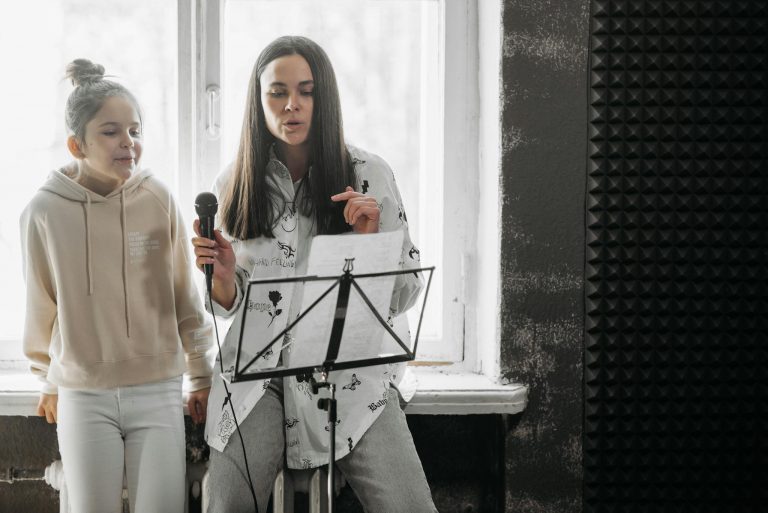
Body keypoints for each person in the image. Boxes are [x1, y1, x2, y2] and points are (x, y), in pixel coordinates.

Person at [192, 36, 437, 512]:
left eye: (306, 91)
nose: (292, 105)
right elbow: (231, 304)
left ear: (324, 98)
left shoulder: (369, 173)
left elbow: (405, 292)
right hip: (255, 378)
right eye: (277, 93)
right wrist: (222, 277)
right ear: (257, 102)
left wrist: (370, 245)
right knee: (224, 501)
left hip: (351, 373)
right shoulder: (234, 182)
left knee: (410, 505)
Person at [20, 59, 213, 513]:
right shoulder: (43, 212)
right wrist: (47, 380)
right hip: (84, 394)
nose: (128, 142)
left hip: (157, 386)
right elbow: (40, 305)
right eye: (111, 132)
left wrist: (200, 370)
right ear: (77, 144)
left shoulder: (158, 198)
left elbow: (185, 293)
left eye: (135, 130)